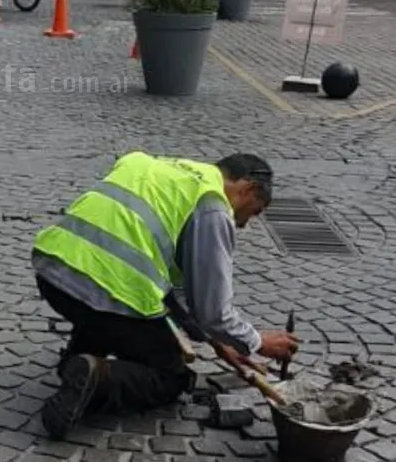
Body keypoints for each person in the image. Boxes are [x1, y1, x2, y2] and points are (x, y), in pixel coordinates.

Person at [31, 151, 300, 440]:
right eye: (254, 211)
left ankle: (84, 348)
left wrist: (218, 341)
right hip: (105, 294)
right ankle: (95, 377)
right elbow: (213, 311)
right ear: (246, 188)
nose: (244, 224)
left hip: (52, 274)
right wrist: (257, 342)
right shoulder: (212, 207)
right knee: (172, 376)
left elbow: (178, 292)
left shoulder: (156, 166)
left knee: (126, 313)